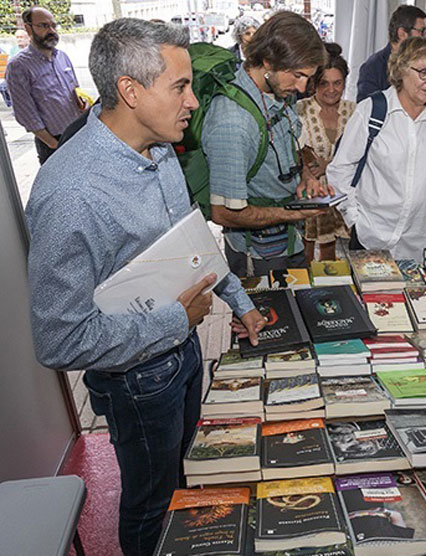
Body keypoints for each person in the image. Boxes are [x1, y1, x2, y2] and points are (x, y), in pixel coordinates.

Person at [24, 19, 266, 556]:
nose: (194, 102)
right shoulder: (71, 194)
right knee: (151, 504)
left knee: (180, 481)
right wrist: (175, 320)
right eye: (180, 86)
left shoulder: (157, 149)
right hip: (136, 382)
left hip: (181, 358)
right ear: (130, 91)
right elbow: (58, 340)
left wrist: (239, 303)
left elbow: (193, 239)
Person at [204, 12, 329, 277]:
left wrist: (306, 175)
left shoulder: (280, 90)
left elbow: (290, 147)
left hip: (290, 242)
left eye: (308, 76)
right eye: (297, 75)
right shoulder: (233, 122)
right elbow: (224, 212)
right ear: (268, 61)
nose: (303, 86)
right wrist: (294, 214)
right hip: (257, 256)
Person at [326, 37, 426, 262]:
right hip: (371, 236)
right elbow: (339, 170)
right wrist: (354, 219)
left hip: (418, 243)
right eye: (423, 72)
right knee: (370, 296)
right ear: (400, 69)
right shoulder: (371, 110)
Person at [296, 43, 354, 262]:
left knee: (330, 254)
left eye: (338, 83)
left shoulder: (354, 111)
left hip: (343, 192)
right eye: (325, 83)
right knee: (305, 251)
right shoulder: (300, 110)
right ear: (314, 84)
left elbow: (363, 155)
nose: (332, 89)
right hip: (310, 193)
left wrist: (328, 164)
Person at [6, 7, 84, 164]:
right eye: (43, 25)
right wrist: (54, 144)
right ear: (28, 28)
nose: (51, 30)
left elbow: (75, 92)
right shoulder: (18, 66)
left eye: (53, 25)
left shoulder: (62, 57)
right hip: (54, 143)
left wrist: (81, 103)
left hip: (79, 135)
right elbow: (25, 115)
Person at [356, 5, 426, 103]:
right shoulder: (372, 68)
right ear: (402, 33)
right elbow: (366, 111)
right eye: (422, 31)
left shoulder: (425, 64)